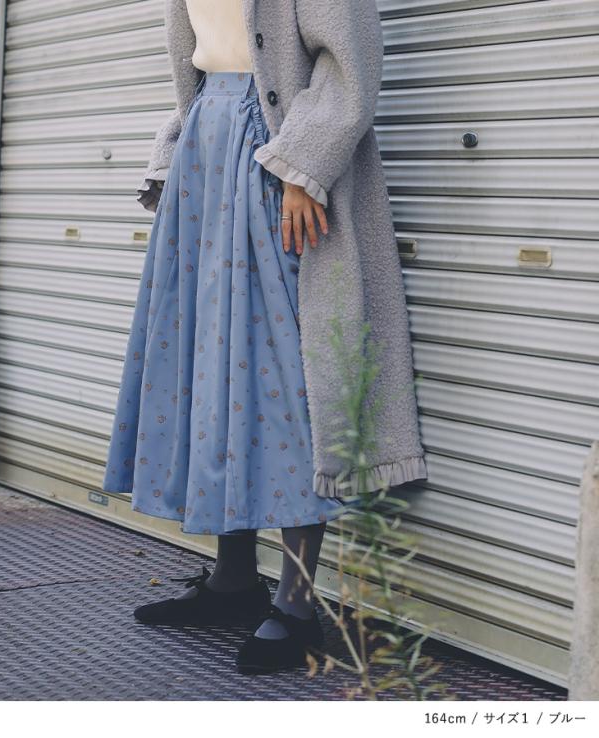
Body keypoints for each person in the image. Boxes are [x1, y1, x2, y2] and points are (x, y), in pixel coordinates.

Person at [102, 0, 427, 675]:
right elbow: (203, 58)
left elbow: (350, 63)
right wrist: (180, 146)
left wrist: (305, 166)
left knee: (283, 372)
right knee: (214, 362)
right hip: (209, 149)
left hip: (278, 153)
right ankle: (233, 580)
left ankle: (298, 604)